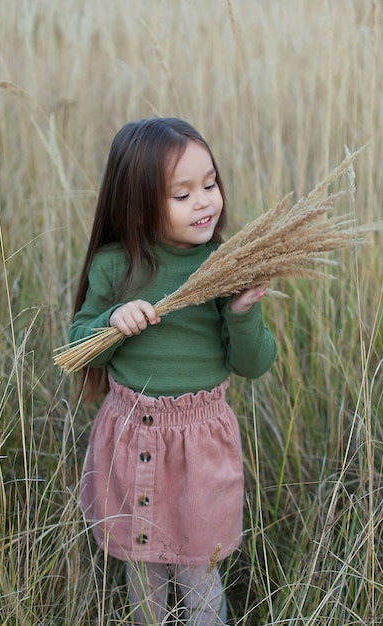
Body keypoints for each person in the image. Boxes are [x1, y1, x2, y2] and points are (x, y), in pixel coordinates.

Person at [69, 117, 277, 625]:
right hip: (132, 436)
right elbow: (77, 346)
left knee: (198, 571)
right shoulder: (115, 266)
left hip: (198, 446)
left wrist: (244, 311)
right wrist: (111, 322)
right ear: (136, 202)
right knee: (144, 571)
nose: (204, 201)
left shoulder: (225, 266)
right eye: (181, 195)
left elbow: (253, 363)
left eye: (209, 184)